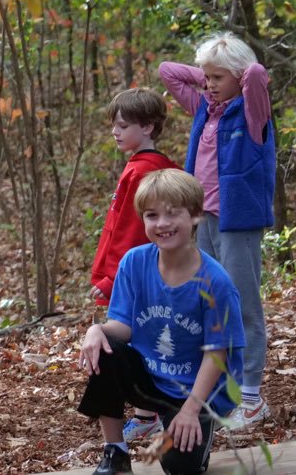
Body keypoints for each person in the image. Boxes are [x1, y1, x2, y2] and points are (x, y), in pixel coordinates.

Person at [76, 169, 245, 475]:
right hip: (151, 378)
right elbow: (124, 328)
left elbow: (217, 355)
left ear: (195, 215)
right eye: (152, 215)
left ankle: (196, 429)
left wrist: (191, 410)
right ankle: (115, 452)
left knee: (179, 466)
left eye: (173, 213)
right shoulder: (134, 263)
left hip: (197, 390)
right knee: (105, 346)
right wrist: (95, 330)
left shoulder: (216, 282)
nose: (162, 223)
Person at [159, 31, 275, 430]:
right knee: (209, 302)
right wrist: (209, 73)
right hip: (203, 220)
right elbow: (168, 71)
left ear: (237, 77)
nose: (208, 84)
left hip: (238, 222)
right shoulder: (204, 109)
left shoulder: (252, 112)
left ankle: (252, 396)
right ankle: (219, 389)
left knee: (242, 304)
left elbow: (256, 73)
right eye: (206, 77)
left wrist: (233, 70)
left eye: (217, 77)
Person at [88, 88, 179, 442]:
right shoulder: (143, 167)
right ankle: (146, 413)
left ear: (148, 126)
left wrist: (111, 279)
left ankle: (147, 412)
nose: (115, 131)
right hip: (143, 273)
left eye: (123, 125)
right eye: (114, 124)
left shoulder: (145, 171)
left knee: (141, 335)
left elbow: (131, 232)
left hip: (139, 277)